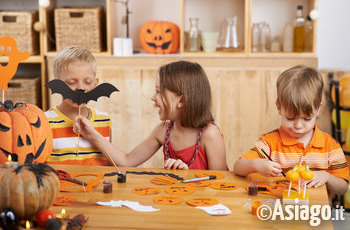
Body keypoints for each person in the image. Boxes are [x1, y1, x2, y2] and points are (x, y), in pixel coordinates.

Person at [73, 60, 227, 170]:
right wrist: (93, 135)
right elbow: (127, 161)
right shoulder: (163, 131)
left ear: (181, 100)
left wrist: (188, 176)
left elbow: (221, 185)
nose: (153, 97)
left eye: (159, 91)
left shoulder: (210, 134)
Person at [234, 65, 349, 195]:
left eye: (306, 119)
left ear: (318, 109)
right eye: (290, 118)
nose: (298, 126)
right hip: (279, 209)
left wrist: (327, 177)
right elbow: (238, 167)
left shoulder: (330, 145)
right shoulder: (269, 142)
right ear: (279, 108)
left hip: (316, 212)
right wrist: (257, 164)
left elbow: (343, 188)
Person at [45, 46, 112, 165]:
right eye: (71, 82)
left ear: (96, 84)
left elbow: (111, 162)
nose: (81, 88)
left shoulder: (104, 120)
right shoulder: (45, 122)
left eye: (88, 82)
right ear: (58, 85)